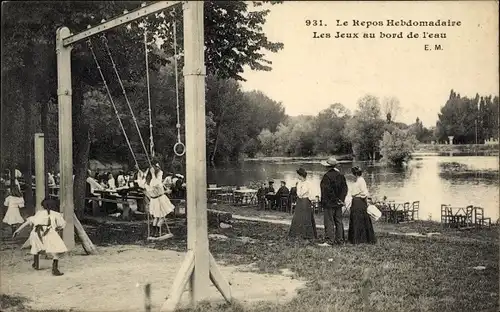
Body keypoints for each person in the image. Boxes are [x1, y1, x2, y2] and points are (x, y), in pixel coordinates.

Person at [13, 198, 67, 276]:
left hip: (36, 233)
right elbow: (62, 225)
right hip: (49, 233)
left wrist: (17, 230)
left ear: (43, 206)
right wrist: (57, 227)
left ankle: (35, 263)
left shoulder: (39, 213)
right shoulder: (56, 214)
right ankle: (55, 269)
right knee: (55, 251)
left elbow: (29, 221)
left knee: (37, 247)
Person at [320, 156, 348, 245]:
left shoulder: (326, 177)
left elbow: (327, 191)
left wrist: (335, 200)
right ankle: (340, 240)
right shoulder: (341, 175)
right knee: (339, 221)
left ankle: (329, 240)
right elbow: (345, 189)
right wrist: (341, 200)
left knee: (329, 221)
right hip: (338, 203)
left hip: (329, 203)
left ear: (327, 166)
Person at [347, 166, 376, 244]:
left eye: (353, 173)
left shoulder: (361, 180)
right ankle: (356, 238)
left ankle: (360, 238)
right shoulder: (358, 180)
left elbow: (365, 192)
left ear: (355, 173)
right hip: (356, 200)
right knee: (356, 218)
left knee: (359, 218)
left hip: (359, 201)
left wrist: (361, 197)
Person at [143, 166, 175, 238]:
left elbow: (153, 190)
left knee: (156, 216)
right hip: (160, 199)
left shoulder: (147, 182)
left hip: (154, 199)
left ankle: (154, 232)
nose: (161, 176)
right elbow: (156, 185)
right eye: (160, 175)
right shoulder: (155, 181)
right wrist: (153, 174)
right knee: (163, 216)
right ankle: (157, 231)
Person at [288, 168, 317, 240]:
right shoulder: (299, 183)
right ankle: (296, 233)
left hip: (306, 201)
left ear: (301, 175)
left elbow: (310, 193)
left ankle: (307, 234)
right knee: (297, 217)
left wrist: (310, 199)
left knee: (306, 217)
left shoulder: (308, 183)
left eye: (298, 175)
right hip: (299, 200)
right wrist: (299, 195)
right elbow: (298, 192)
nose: (297, 176)